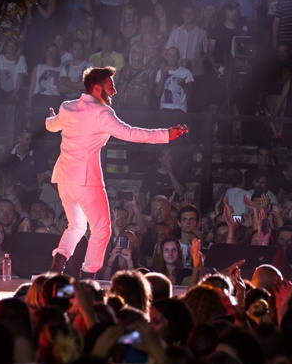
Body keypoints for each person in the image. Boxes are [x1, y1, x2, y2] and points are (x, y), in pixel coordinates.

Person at [45, 66, 188, 278]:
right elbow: (130, 133)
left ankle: (57, 265)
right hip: (86, 180)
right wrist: (166, 134)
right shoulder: (101, 113)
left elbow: (51, 126)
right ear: (96, 88)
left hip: (64, 178)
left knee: (76, 226)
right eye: (110, 86)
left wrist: (51, 118)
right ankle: (88, 275)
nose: (114, 91)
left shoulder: (67, 107)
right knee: (102, 229)